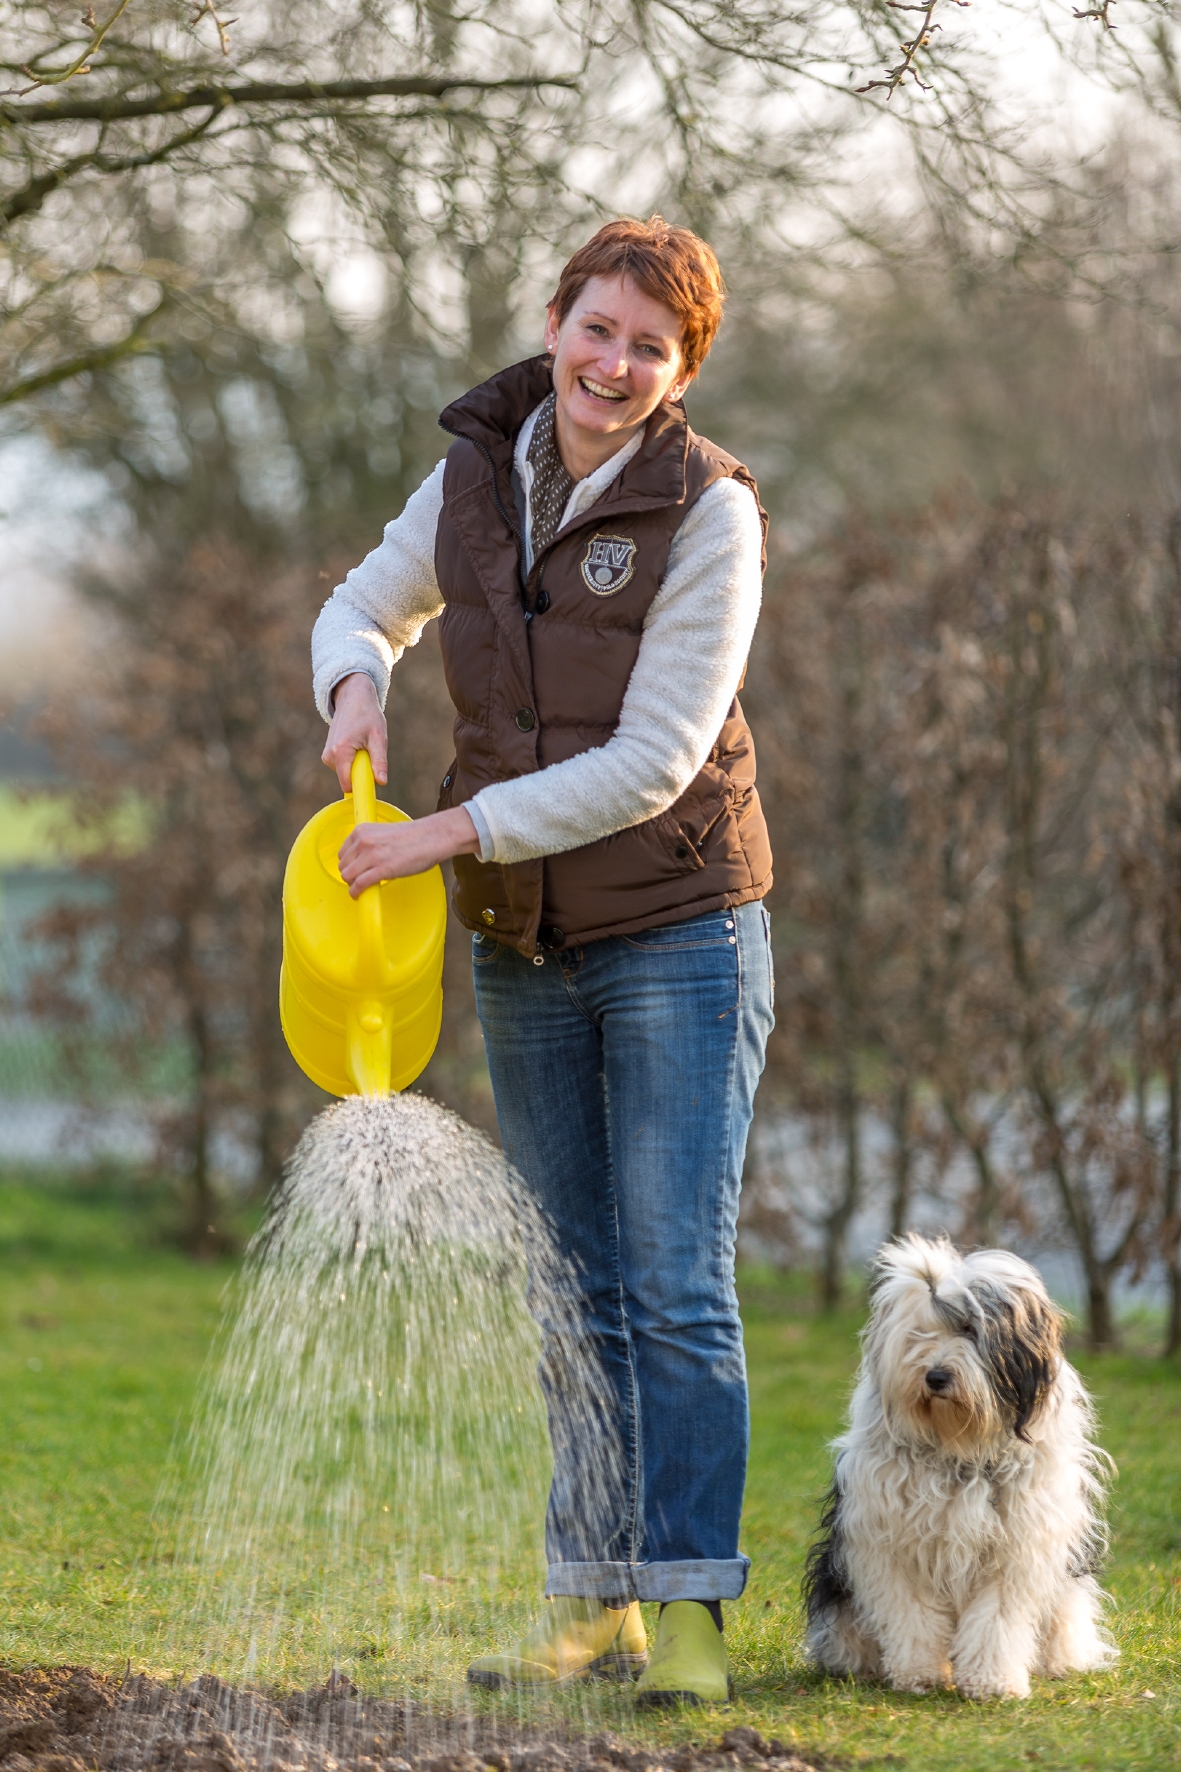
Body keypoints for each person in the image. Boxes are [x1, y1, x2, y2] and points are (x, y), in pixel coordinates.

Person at [312, 216, 774, 1708]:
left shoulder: (709, 512)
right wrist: (351, 691)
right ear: (557, 319)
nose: (614, 363)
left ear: (680, 369)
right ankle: (591, 1605)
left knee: (673, 1289)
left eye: (652, 346)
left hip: (678, 933)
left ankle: (690, 1616)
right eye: (597, 328)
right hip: (526, 941)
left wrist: (447, 834)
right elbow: (363, 601)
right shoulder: (475, 468)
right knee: (566, 1286)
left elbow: (654, 762)